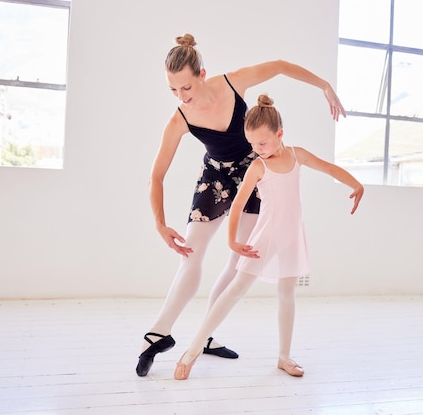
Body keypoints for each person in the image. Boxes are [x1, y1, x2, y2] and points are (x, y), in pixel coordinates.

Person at [136, 34, 347, 377]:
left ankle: (205, 336)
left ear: (202, 74)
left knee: (239, 259)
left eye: (186, 88)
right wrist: (160, 224)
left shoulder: (233, 84)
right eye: (173, 91)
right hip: (215, 177)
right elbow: (156, 176)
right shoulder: (180, 120)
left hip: (254, 173)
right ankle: (157, 334)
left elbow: (279, 66)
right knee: (191, 253)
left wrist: (324, 84)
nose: (181, 97)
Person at [173, 94, 364, 380]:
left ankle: (284, 357)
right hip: (266, 237)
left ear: (280, 134)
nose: (257, 149)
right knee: (235, 290)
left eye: (262, 143)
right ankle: (193, 350)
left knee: (287, 294)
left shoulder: (298, 155)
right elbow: (236, 206)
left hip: (293, 236)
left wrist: (356, 184)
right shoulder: (258, 166)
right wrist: (232, 242)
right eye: (252, 144)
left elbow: (328, 168)